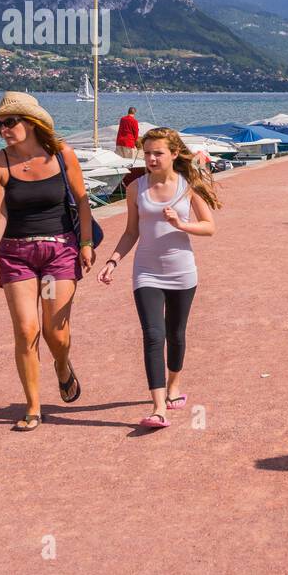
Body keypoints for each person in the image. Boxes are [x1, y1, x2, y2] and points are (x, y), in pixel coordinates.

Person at [0, 92, 94, 433]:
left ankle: (61, 363)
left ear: (31, 123)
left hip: (58, 252)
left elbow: (83, 202)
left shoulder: (61, 155)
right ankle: (33, 406)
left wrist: (86, 243)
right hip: (17, 256)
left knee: (54, 333)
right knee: (26, 330)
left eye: (9, 121)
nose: (3, 128)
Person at [98, 128, 219, 430]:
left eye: (157, 153)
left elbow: (209, 227)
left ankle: (174, 384)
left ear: (174, 154)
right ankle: (158, 406)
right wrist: (113, 261)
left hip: (182, 271)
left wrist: (181, 224)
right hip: (146, 272)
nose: (151, 158)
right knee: (154, 334)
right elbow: (131, 232)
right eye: (147, 152)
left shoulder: (189, 185)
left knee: (176, 333)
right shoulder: (134, 188)